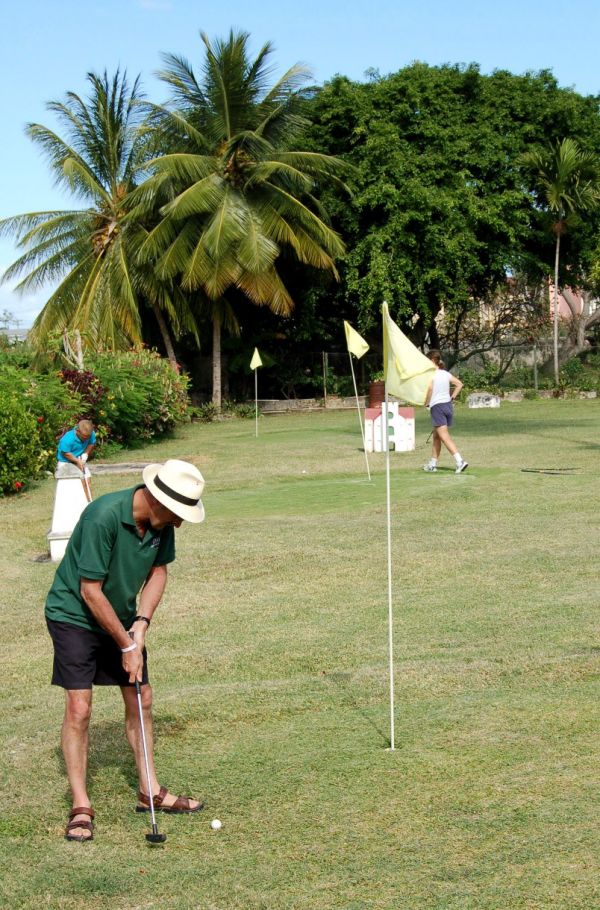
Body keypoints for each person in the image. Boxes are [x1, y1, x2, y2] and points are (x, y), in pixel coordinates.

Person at [45, 459, 206, 842]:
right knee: (79, 706)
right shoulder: (102, 517)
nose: (180, 523)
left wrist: (141, 624)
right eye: (177, 513)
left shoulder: (160, 522)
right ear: (155, 498)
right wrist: (127, 644)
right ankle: (81, 805)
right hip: (74, 615)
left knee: (141, 698)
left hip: (118, 616)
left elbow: (158, 572)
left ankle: (148, 790)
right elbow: (89, 591)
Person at [423, 351, 468, 473]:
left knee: (444, 436)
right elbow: (459, 384)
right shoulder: (445, 374)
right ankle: (432, 464)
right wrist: (452, 398)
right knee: (437, 436)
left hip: (437, 407)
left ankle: (460, 461)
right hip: (447, 406)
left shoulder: (431, 375)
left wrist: (426, 403)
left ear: (432, 361)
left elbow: (431, 389)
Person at [57, 420, 97, 502]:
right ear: (77, 431)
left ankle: (89, 502)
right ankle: (81, 503)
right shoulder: (67, 439)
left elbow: (91, 443)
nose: (86, 439)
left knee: (87, 479)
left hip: (79, 458)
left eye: (88, 437)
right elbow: (65, 453)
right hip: (65, 461)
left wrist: (85, 454)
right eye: (84, 437)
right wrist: (77, 461)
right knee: (81, 481)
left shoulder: (90, 433)